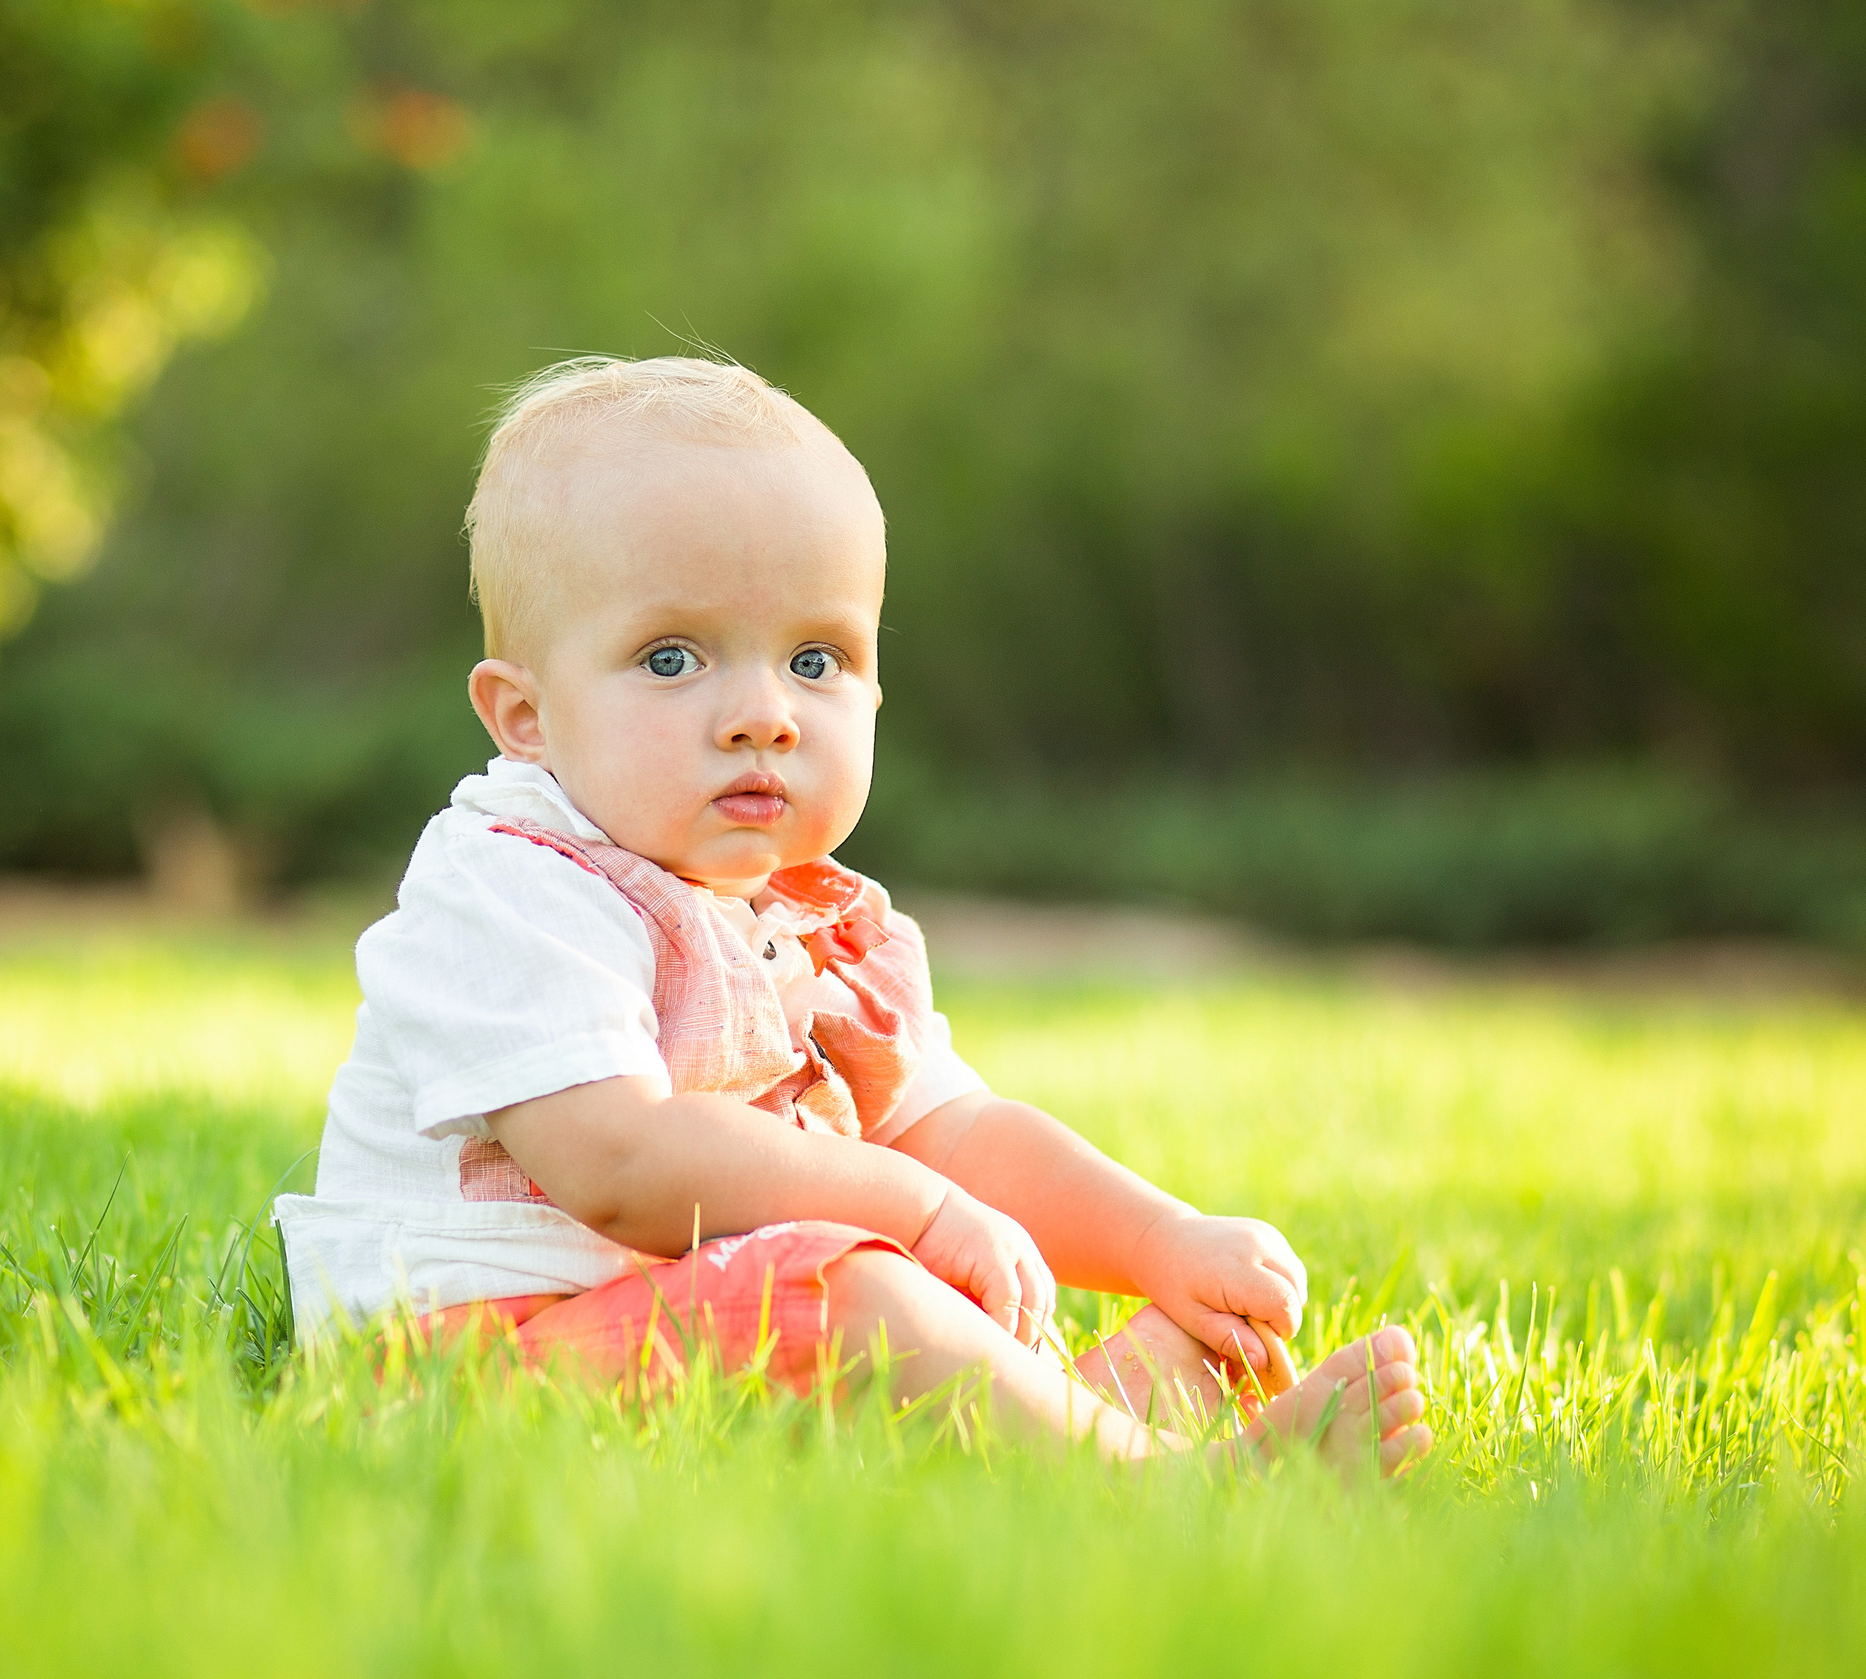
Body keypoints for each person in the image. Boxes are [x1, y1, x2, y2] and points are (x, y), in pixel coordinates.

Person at [274, 356, 1430, 1473]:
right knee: (856, 1284)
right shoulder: (511, 884)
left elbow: (954, 1134)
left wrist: (1157, 1242)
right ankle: (1164, 1485)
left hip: (708, 1322)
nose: (763, 713)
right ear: (525, 717)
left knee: (909, 1281)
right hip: (476, 1368)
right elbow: (618, 1160)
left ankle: (1081, 1420)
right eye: (671, 659)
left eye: (816, 659)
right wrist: (914, 1210)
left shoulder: (809, 922)